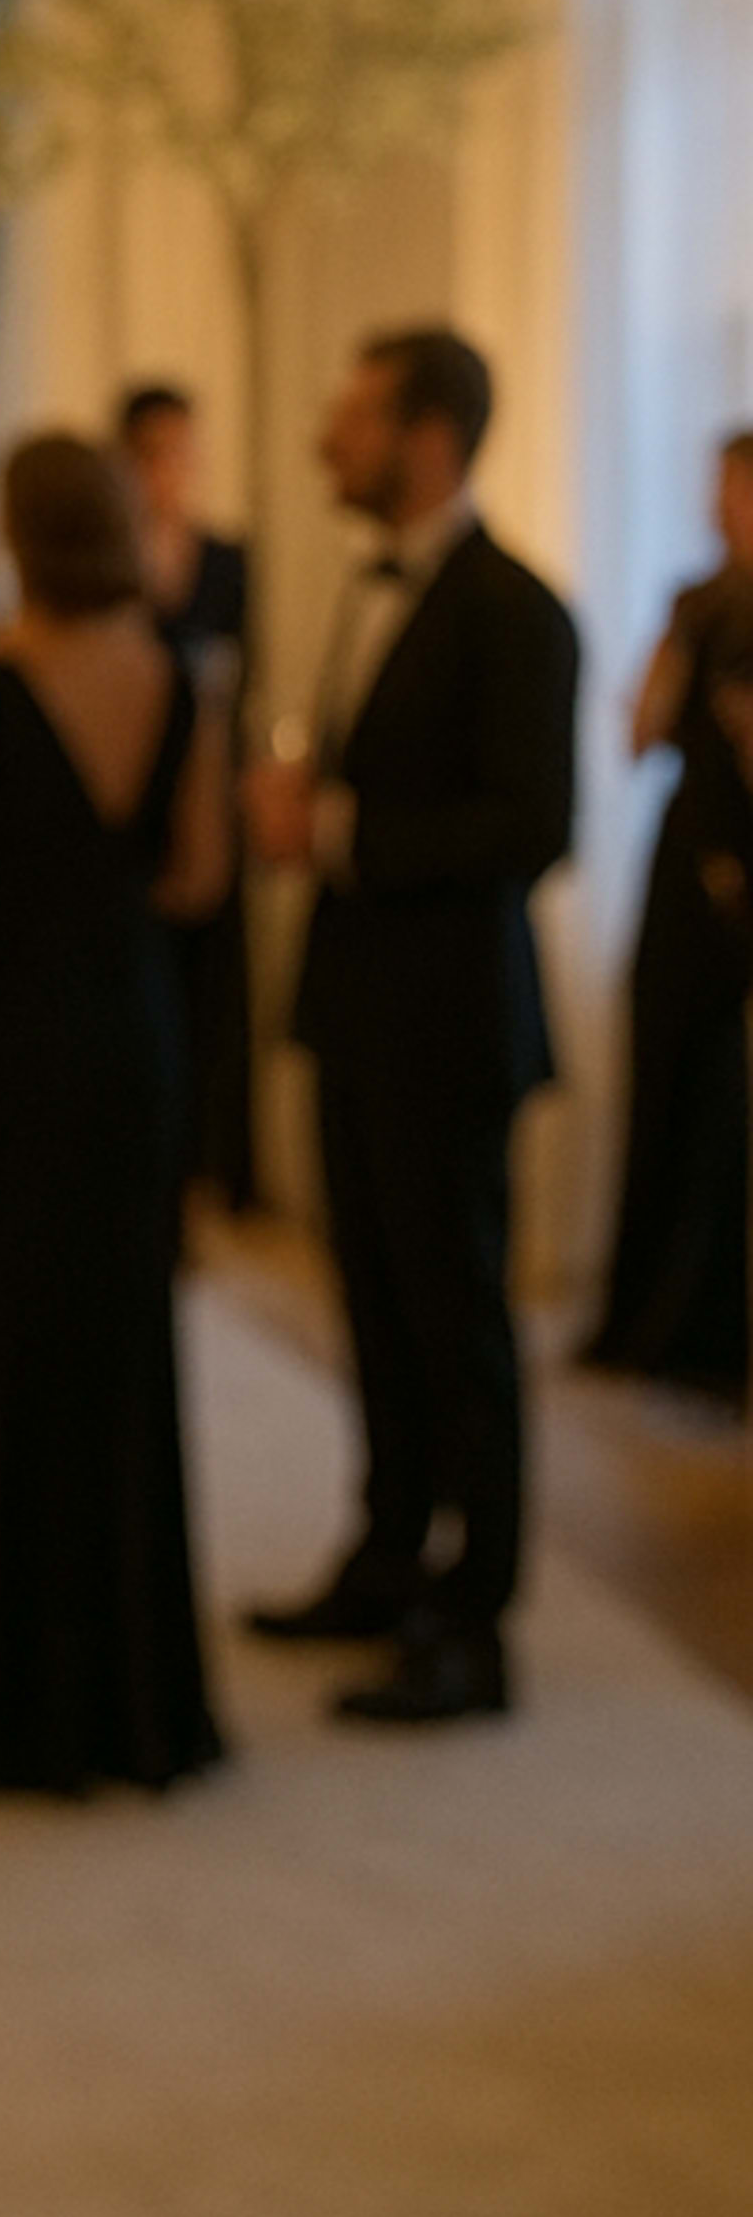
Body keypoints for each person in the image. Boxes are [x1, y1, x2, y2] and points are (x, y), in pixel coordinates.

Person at [0, 434, 236, 1798]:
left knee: (0, 1350)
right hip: (131, 1040)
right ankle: (135, 1683)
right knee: (121, 1351)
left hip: (7, 1044)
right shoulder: (182, 678)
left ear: (14, 537)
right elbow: (196, 883)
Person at [244, 328, 580, 1730]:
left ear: (429, 436)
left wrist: (333, 828)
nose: (331, 437)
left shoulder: (520, 610)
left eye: (355, 415)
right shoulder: (370, 585)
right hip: (362, 1005)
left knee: (458, 1312)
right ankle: (387, 1554)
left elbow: (534, 827)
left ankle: (477, 1613)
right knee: (371, 1298)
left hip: (451, 1018)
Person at [578, 428, 753, 1406]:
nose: (722, 506)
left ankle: (715, 1334)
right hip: (686, 855)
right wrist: (678, 652)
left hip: (745, 867)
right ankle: (647, 1315)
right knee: (664, 1080)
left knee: (728, 1106)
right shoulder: (695, 602)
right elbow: (642, 732)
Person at [118, 382, 259, 1212]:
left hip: (206, 788)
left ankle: (212, 1170)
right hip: (132, 798)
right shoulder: (113, 561)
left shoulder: (227, 558)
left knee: (213, 981)